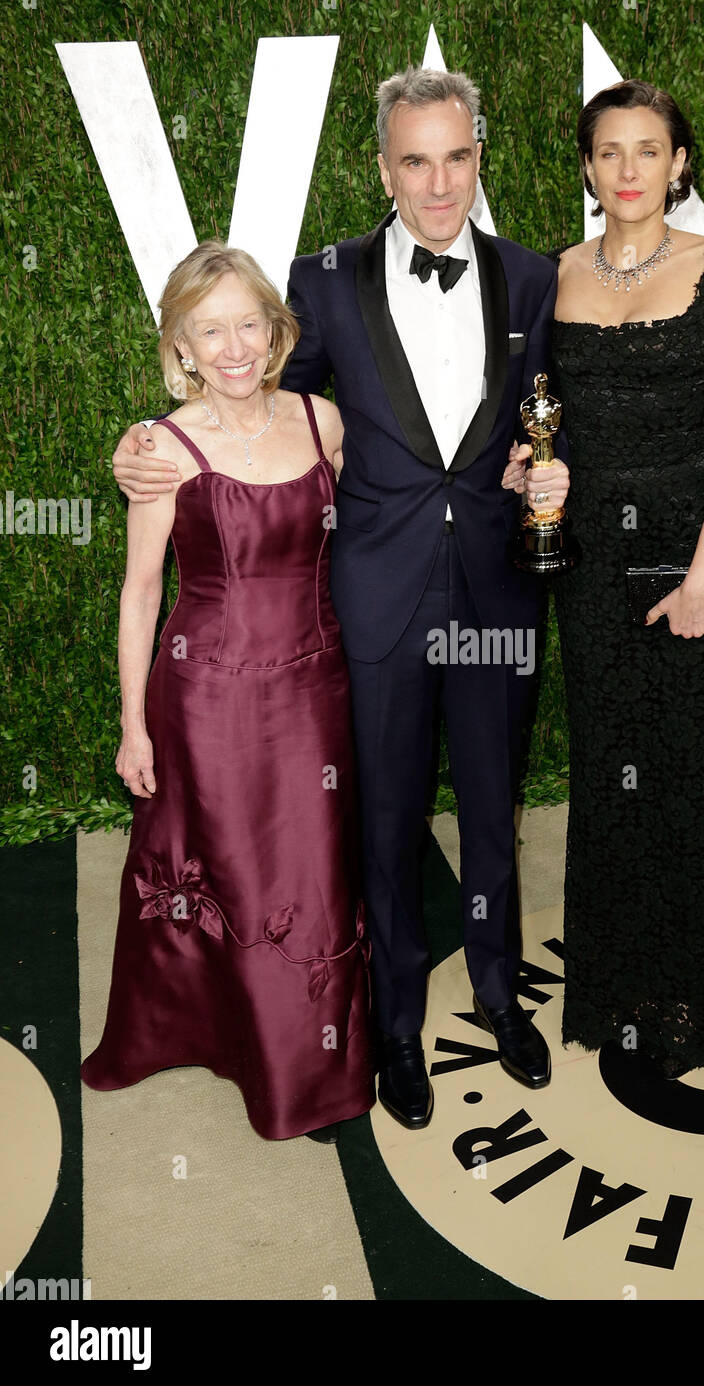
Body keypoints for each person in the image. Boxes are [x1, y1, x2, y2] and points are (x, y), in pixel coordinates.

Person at [111, 68, 570, 1130]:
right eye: (415, 159)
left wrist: (540, 475)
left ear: (477, 157)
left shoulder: (531, 279)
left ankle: (500, 993)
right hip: (371, 605)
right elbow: (249, 403)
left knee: (493, 813)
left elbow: (543, 424)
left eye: (456, 156)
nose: (438, 181)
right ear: (382, 167)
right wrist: (140, 444)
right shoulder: (322, 284)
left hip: (497, 596)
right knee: (386, 819)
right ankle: (396, 1023)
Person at [83, 241, 375, 1139]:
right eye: (210, 331)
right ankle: (231, 1046)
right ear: (181, 346)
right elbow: (141, 592)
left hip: (316, 690)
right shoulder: (161, 450)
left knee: (316, 875)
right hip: (205, 700)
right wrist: (134, 725)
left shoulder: (325, 422)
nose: (234, 346)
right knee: (238, 879)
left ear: (277, 330)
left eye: (248, 323)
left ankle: (314, 1065)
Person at [507, 79, 704, 1081]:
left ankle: (700, 1010)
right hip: (592, 564)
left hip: (690, 551)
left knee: (691, 778)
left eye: (646, 151)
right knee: (611, 774)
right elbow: (534, 418)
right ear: (585, 165)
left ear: (678, 163)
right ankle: (617, 994)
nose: (625, 171)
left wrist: (701, 579)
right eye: (607, 152)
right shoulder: (553, 274)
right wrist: (530, 471)